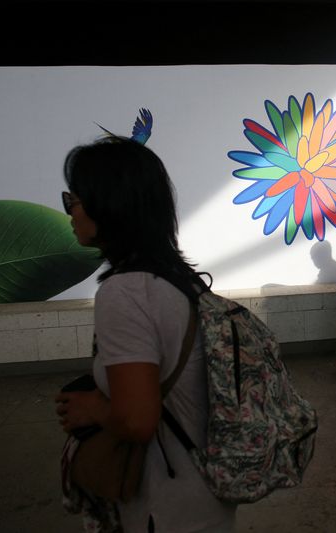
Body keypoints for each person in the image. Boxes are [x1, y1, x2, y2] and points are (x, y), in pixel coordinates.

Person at [54, 137, 237, 532]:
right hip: (201, 500)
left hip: (162, 507)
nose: (70, 211)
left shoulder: (124, 293)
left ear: (109, 205)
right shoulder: (174, 278)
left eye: (76, 200)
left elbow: (136, 420)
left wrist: (91, 408)